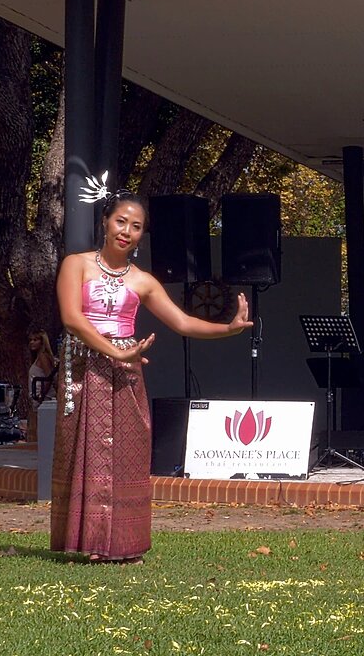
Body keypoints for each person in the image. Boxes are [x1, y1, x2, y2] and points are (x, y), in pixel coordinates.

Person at [53, 191, 252, 564]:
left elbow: (182, 322)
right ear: (105, 222)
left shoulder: (143, 281)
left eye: (136, 226)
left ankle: (123, 544)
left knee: (128, 451)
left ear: (142, 235)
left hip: (127, 370)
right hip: (84, 367)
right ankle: (88, 542)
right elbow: (72, 319)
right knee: (87, 449)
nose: (126, 231)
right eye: (120, 221)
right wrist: (114, 350)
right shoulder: (75, 264)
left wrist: (228, 328)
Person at [28, 331, 58, 404]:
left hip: (44, 398)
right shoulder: (37, 357)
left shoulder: (43, 356)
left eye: (35, 340)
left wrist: (41, 396)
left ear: (42, 342)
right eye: (30, 340)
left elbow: (49, 377)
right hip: (36, 397)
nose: (32, 342)